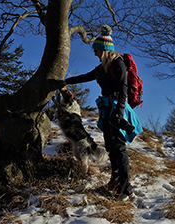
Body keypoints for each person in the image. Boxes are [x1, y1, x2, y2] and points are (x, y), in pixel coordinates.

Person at [63, 25, 142, 201]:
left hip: (117, 109)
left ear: (104, 49)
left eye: (96, 50)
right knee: (111, 148)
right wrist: (66, 81)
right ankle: (115, 181)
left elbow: (123, 87)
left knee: (119, 148)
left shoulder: (117, 62)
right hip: (107, 109)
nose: (94, 53)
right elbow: (85, 76)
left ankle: (125, 189)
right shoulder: (102, 68)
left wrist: (120, 112)